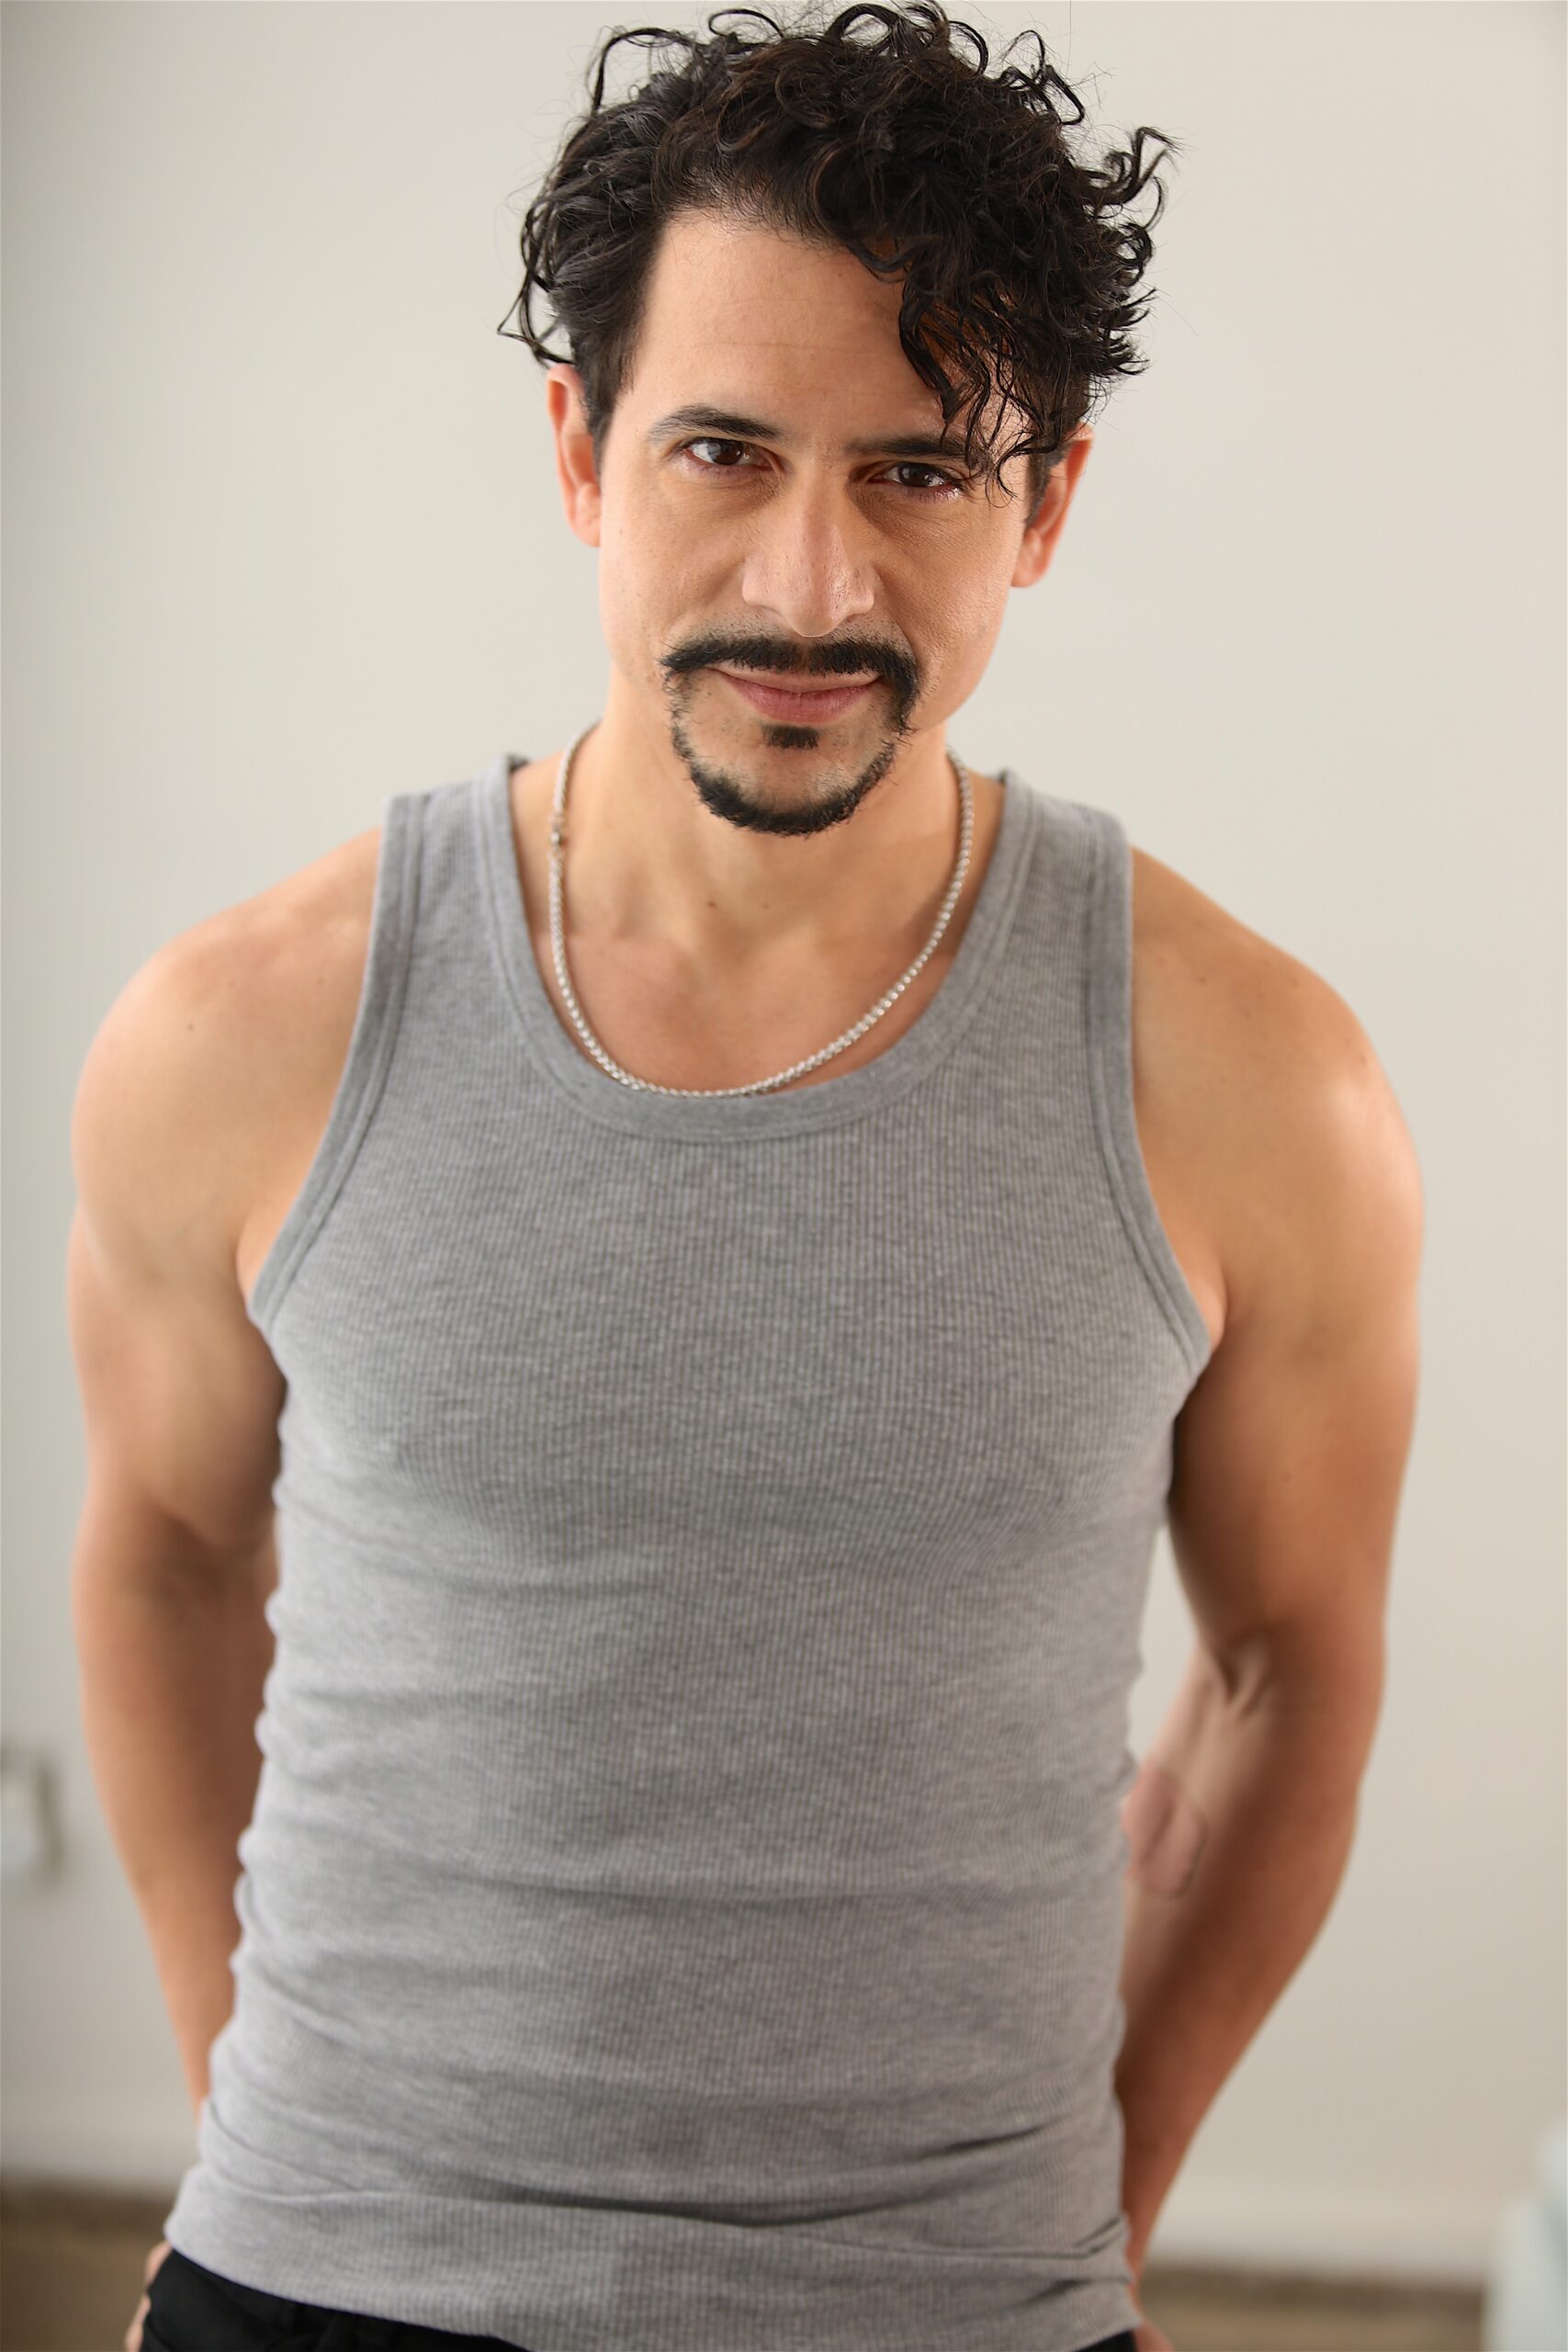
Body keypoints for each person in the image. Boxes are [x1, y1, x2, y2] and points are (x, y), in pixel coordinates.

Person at [68, 6, 1424, 2350]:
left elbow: (1291, 1662)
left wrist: (1096, 2202)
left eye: (917, 472)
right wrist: (257, 2140)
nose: (811, 581)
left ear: (1044, 505)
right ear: (578, 452)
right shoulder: (242, 1032)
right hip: (319, 2275)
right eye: (723, 448)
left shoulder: (1254, 1083)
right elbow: (167, 1551)